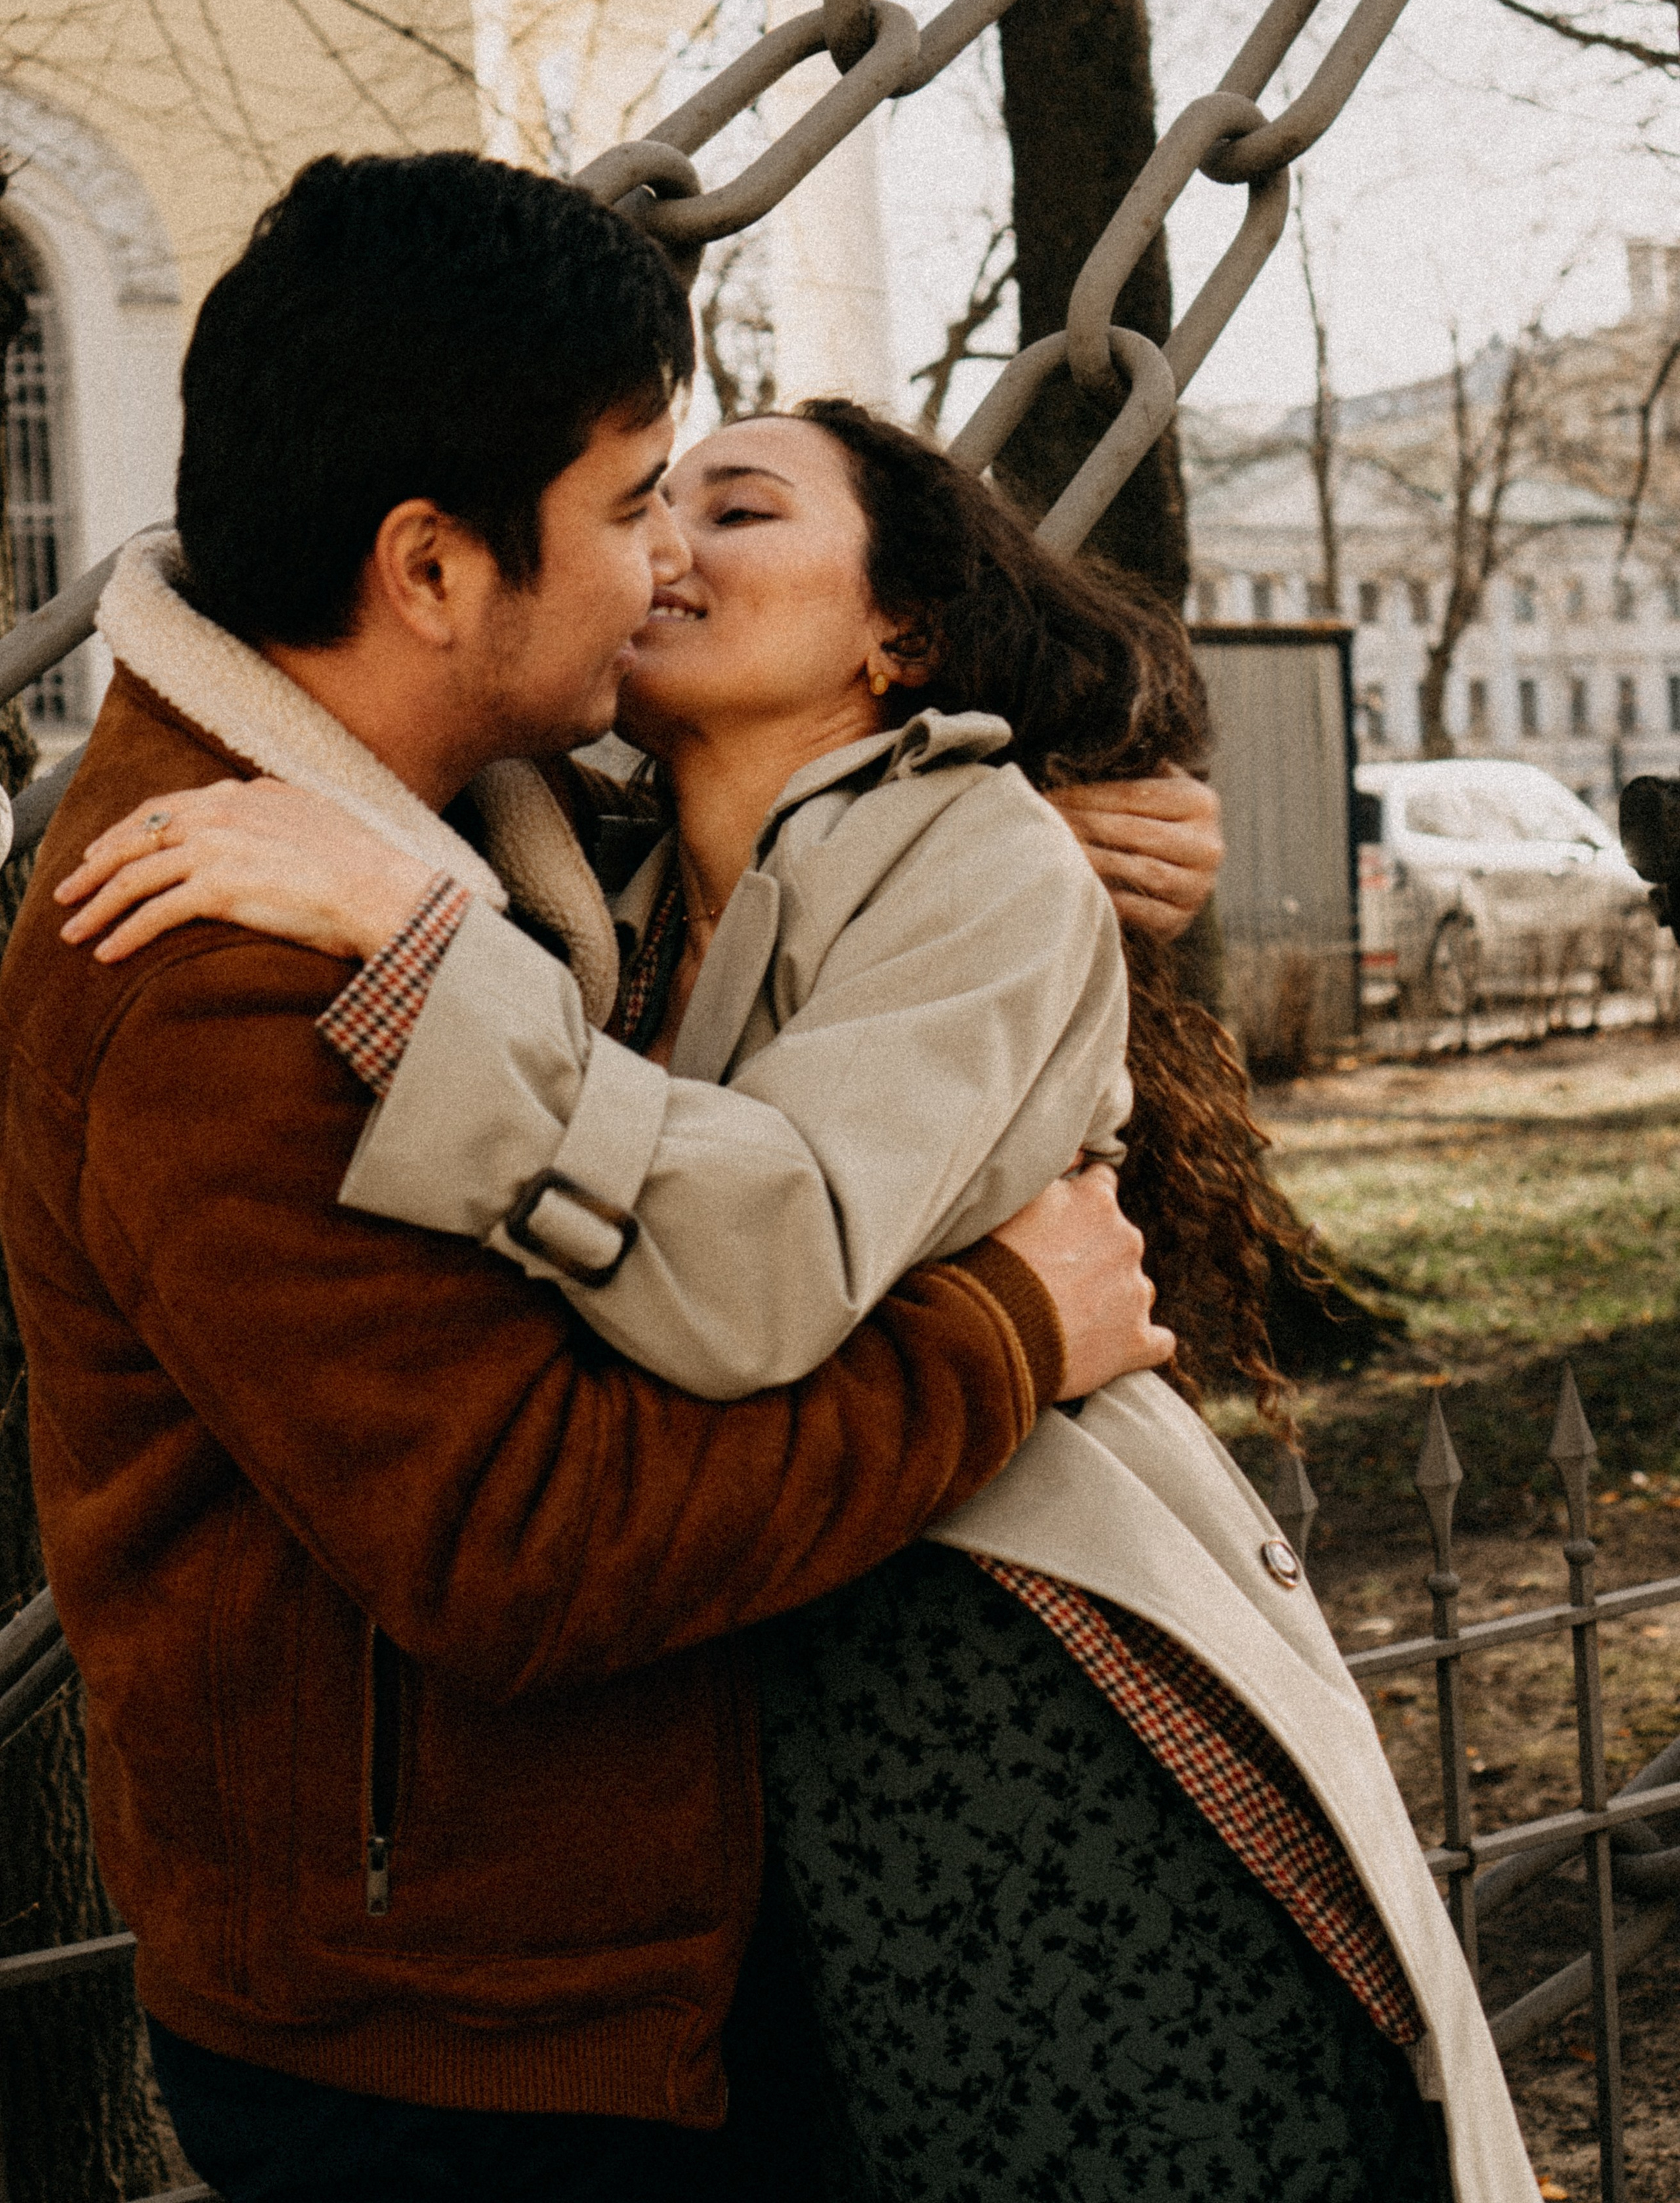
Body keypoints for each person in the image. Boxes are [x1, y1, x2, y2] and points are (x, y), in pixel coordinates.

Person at [63, 402, 1538, 2200]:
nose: (665, 545)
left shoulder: (971, 859)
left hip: (1012, 1717)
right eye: (649, 506)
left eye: (736, 507)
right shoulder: (597, 894)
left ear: (897, 635)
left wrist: (414, 948)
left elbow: (761, 1270)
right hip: (774, 1753)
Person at [0, 152, 1180, 2203]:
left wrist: (1077, 840)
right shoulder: (217, 963)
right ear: (436, 570)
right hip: (450, 2047)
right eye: (638, 503)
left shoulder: (464, 820)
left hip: (585, 1950)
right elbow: (532, 1543)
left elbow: (802, 864)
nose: (662, 566)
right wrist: (1009, 1332)